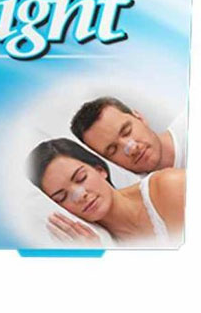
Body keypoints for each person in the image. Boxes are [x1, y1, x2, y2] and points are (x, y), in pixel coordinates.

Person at [28, 138, 185, 245]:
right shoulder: (101, 243)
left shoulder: (169, 186)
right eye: (62, 197)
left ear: (100, 169)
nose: (80, 195)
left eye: (81, 178)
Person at [70, 97, 186, 174]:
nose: (132, 149)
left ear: (139, 117)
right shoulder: (144, 199)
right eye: (113, 150)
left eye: (127, 131)